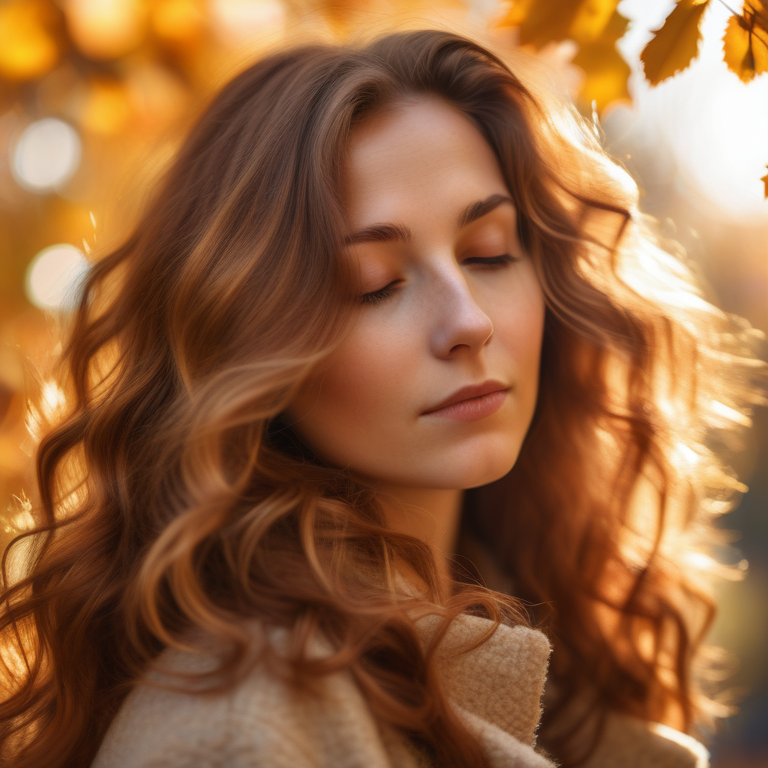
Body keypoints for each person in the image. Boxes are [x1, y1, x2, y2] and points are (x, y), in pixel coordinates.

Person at [0, 26, 763, 768]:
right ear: (247, 345)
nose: (468, 321)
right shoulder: (239, 729)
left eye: (489, 253)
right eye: (375, 286)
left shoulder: (556, 661)